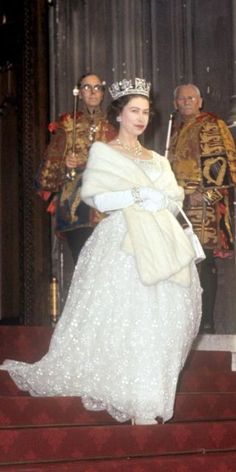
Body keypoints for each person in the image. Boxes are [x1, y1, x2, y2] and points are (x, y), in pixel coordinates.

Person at [0, 78, 202, 425]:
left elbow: (174, 199)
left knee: (158, 322)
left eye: (145, 112)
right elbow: (96, 196)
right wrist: (138, 196)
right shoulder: (104, 151)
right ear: (119, 114)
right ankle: (129, 394)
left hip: (162, 242)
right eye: (134, 111)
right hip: (123, 240)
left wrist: (162, 200)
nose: (141, 118)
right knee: (128, 318)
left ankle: (148, 398)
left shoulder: (157, 158)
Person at [168, 84, 236, 333]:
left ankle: (206, 322)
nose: (185, 102)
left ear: (200, 101)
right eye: (181, 98)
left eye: (190, 98)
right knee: (180, 264)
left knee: (203, 262)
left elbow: (222, 163)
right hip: (178, 204)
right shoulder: (174, 129)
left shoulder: (211, 124)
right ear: (175, 103)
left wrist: (206, 195)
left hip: (202, 207)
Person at [35, 72, 116, 264]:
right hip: (76, 210)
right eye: (87, 88)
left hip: (108, 207)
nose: (92, 92)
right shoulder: (67, 123)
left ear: (103, 93)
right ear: (79, 93)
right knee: (84, 265)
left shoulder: (114, 125)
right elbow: (47, 170)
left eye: (97, 88)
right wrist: (65, 164)